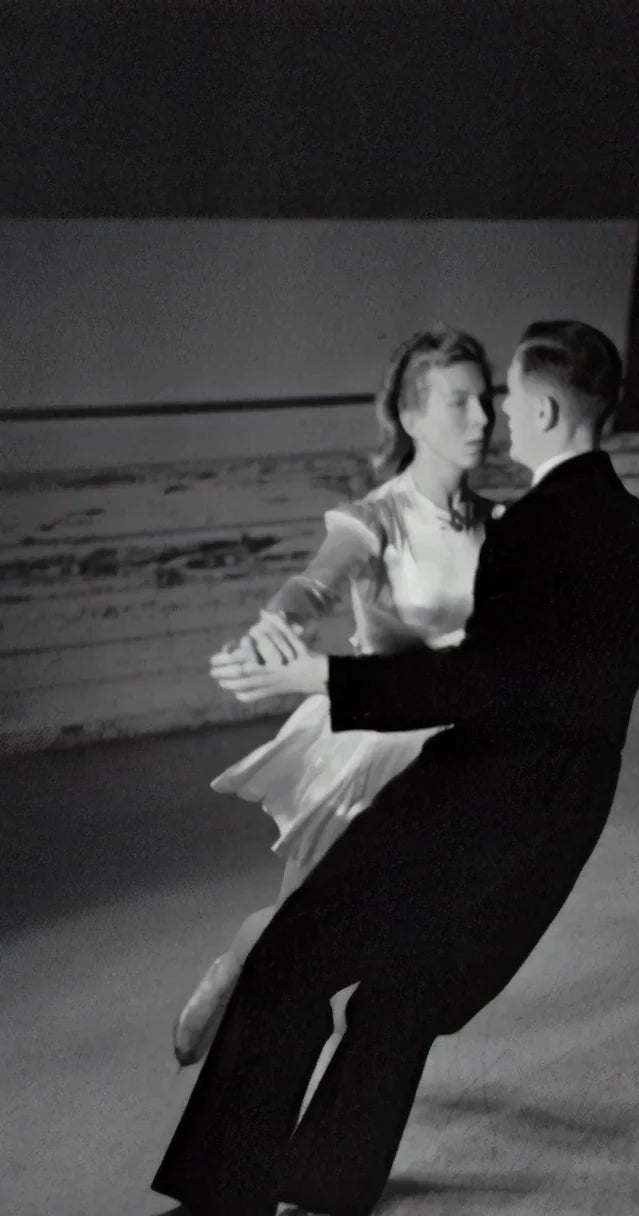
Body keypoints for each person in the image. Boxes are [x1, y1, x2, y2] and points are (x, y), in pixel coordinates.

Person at [86, 320, 639, 1216]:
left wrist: (321, 673)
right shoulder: (637, 532)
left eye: (504, 398)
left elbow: (490, 681)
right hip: (555, 814)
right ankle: (318, 1205)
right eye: (464, 399)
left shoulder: (531, 523)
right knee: (399, 995)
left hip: (469, 792)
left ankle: (224, 1210)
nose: (491, 415)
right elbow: (339, 581)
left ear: (546, 410)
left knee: (288, 963)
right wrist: (294, 622)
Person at [172, 325, 500, 1065]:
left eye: (488, 400)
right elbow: (311, 588)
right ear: (413, 418)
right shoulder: (377, 517)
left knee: (415, 929)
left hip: (459, 746)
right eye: (460, 402)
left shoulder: (499, 526)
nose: (483, 418)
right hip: (377, 737)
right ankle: (235, 968)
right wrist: (270, 632)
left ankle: (363, 1075)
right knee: (306, 919)